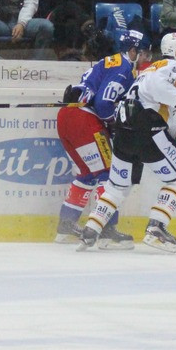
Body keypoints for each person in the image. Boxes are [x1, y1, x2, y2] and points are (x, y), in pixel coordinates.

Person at [78, 32, 176, 252]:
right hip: (145, 127)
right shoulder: (172, 66)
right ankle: (156, 229)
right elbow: (159, 92)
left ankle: (91, 229)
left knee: (117, 186)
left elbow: (155, 103)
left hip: (124, 130)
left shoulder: (147, 70)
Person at [55, 29, 145, 243]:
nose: (145, 58)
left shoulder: (109, 61)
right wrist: (118, 121)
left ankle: (66, 225)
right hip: (84, 120)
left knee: (87, 172)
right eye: (144, 53)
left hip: (67, 117)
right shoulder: (124, 68)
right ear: (133, 51)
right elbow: (104, 105)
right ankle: (106, 229)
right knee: (109, 172)